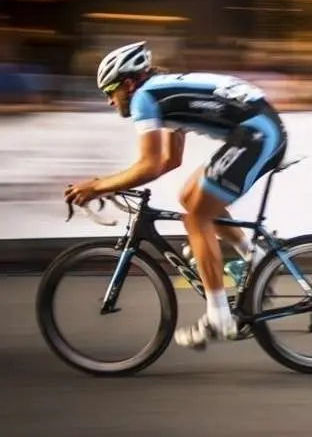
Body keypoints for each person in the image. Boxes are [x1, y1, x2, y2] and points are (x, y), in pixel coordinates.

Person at [64, 41, 287, 350]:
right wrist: (113, 184)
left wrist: (98, 186)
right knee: (189, 198)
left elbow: (150, 164)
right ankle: (255, 256)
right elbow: (170, 160)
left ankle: (219, 317)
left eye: (110, 92)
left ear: (127, 84)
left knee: (197, 220)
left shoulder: (145, 98)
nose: (109, 102)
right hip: (259, 129)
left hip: (257, 133)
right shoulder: (159, 93)